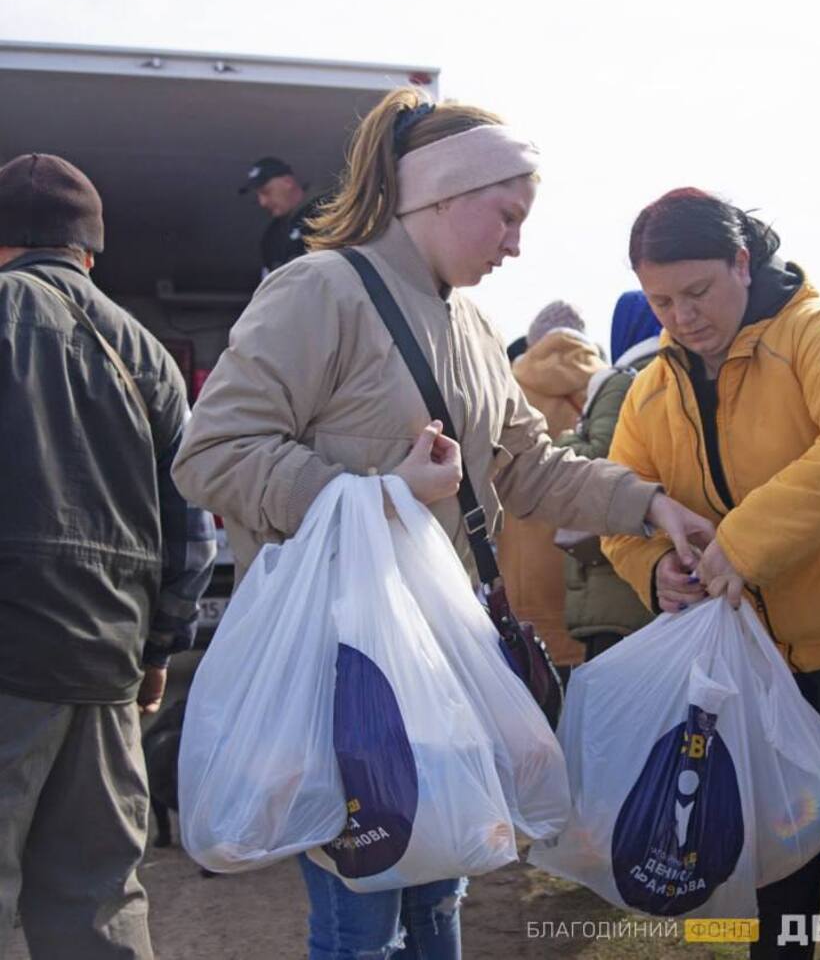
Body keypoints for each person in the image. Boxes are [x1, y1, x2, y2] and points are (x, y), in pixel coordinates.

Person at [172, 90, 713, 960]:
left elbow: (532, 469)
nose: (517, 242)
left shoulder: (472, 324)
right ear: (440, 196)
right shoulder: (317, 290)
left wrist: (649, 504)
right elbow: (211, 452)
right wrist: (381, 491)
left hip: (444, 665)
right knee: (361, 925)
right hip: (346, 679)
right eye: (506, 215)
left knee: (439, 904)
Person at [602, 188, 820, 959]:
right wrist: (654, 566)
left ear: (741, 262)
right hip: (757, 667)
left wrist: (746, 541)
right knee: (774, 873)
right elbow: (621, 504)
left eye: (697, 292)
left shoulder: (810, 332)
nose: (681, 317)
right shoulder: (652, 385)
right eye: (660, 300)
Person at [0, 153, 217, 959]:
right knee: (98, 904)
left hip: (8, 659)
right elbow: (192, 529)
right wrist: (159, 649)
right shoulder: (147, 356)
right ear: (89, 251)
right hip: (105, 671)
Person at [553, 291, 662, 660]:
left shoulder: (624, 380)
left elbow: (599, 460)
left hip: (615, 577)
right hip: (652, 566)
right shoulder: (675, 374)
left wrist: (567, 438)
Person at [497, 299, 605, 668]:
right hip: (588, 565)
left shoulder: (507, 390)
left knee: (533, 683)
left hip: (519, 570)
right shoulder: (605, 388)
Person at [238, 155, 327, 277]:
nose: (262, 202)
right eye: (258, 195)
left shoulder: (327, 211)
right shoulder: (271, 236)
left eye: (266, 192)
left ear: (287, 182)